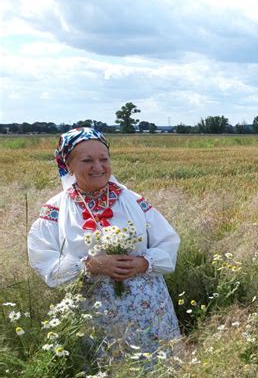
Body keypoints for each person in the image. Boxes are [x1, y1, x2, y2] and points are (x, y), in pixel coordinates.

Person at [28, 127, 181, 354]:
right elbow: (43, 258)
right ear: (68, 165)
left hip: (150, 312)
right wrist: (88, 265)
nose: (98, 167)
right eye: (87, 160)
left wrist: (144, 263)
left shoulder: (133, 200)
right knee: (106, 376)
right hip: (95, 316)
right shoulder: (56, 209)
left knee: (159, 372)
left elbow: (167, 241)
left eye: (104, 159)